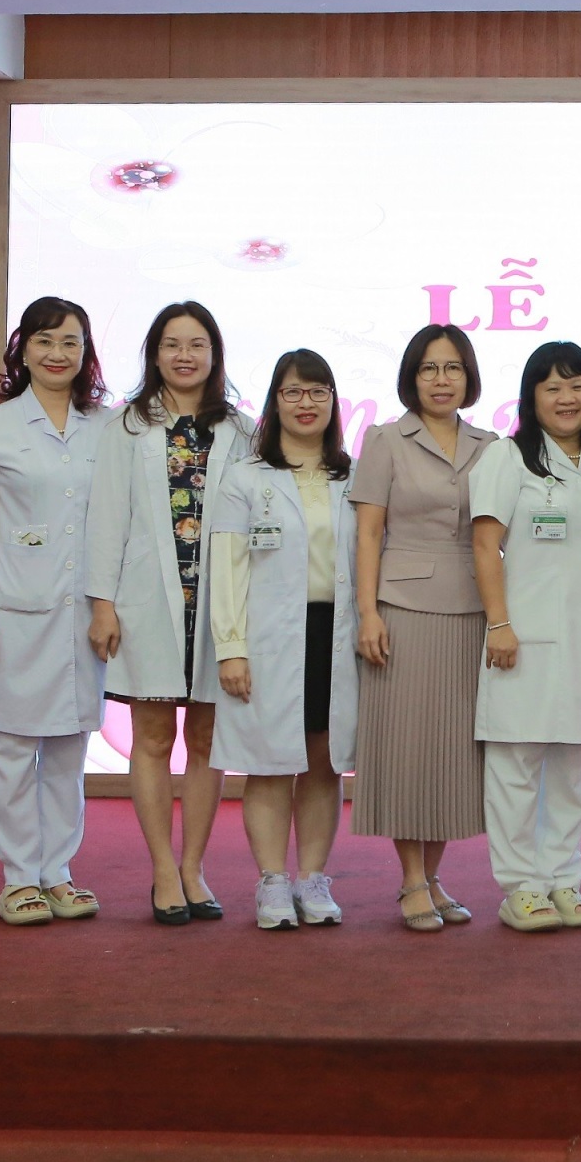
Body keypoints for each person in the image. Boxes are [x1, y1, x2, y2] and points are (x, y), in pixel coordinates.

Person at [86, 302, 254, 925]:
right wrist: (102, 605)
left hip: (219, 605)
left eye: (197, 344)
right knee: (153, 738)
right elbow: (106, 520)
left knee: (208, 739)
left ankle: (193, 869)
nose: (185, 355)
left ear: (214, 354)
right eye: (172, 344)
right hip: (147, 601)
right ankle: (162, 870)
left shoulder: (242, 430)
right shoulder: (126, 428)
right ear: (154, 354)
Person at [469, 341, 581, 933]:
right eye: (553, 387)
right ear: (531, 396)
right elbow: (484, 544)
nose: (567, 398)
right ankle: (521, 887)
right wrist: (499, 623)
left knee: (572, 765)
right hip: (523, 636)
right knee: (516, 763)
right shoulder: (507, 458)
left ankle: (563, 878)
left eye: (578, 386)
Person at [0, 296, 107, 926]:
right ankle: (19, 878)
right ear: (23, 350)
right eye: (45, 341)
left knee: (68, 753)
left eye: (70, 342)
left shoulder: (106, 427)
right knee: (12, 751)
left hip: (81, 614)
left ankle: (58, 873)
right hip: (11, 608)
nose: (57, 353)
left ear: (85, 352)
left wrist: (108, 606)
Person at [351, 324, 496, 932]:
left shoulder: (492, 446)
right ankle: (411, 880)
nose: (442, 379)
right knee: (407, 750)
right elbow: (368, 533)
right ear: (412, 377)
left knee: (452, 755)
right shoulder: (385, 439)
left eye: (453, 368)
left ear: (469, 377)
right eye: (430, 368)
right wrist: (367, 613)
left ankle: (434, 879)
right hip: (402, 610)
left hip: (472, 611)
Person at [209, 349, 359, 932]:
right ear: (275, 401)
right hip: (268, 638)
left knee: (323, 763)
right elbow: (227, 568)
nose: (306, 403)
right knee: (269, 764)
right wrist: (231, 647)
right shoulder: (247, 477)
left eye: (318, 391)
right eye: (293, 392)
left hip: (334, 635)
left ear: (333, 401)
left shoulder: (352, 475)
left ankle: (312, 878)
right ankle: (272, 880)